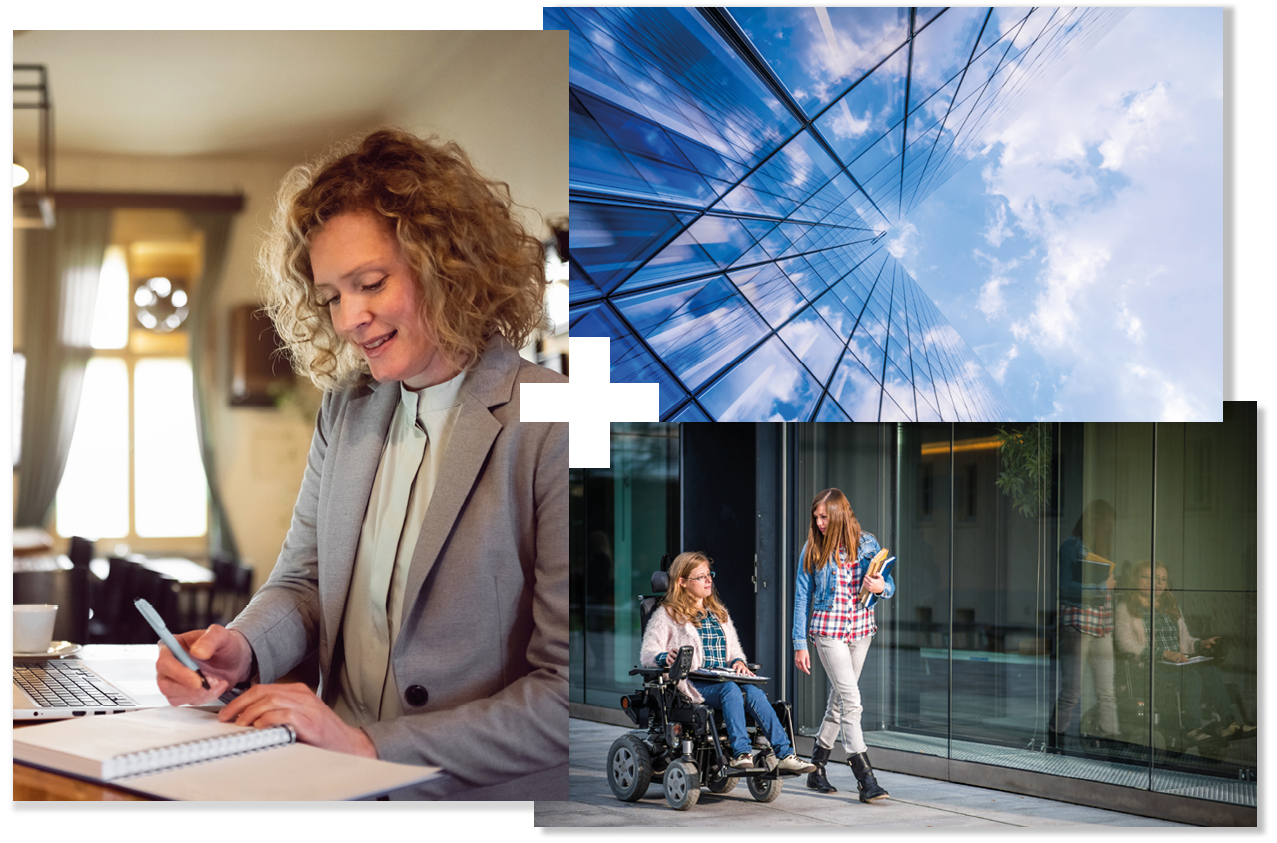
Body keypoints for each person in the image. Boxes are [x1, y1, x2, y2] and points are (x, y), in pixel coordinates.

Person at [154, 128, 567, 800]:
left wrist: (374, 745)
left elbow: (567, 691)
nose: (349, 318)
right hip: (335, 787)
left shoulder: (555, 418)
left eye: (369, 283)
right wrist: (241, 647)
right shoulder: (348, 408)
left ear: (449, 264)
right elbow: (305, 579)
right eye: (330, 297)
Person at [640, 551, 815, 774]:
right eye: (701, 577)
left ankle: (785, 754)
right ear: (682, 582)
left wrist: (739, 662)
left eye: (709, 575)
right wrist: (665, 657)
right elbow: (648, 652)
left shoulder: (718, 613)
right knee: (730, 690)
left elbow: (733, 650)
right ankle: (740, 753)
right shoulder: (667, 614)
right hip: (691, 683)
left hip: (722, 676)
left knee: (754, 693)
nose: (708, 580)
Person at [792, 489, 894, 802]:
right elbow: (801, 596)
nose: (819, 522)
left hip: (861, 630)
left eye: (824, 516)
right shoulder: (813, 548)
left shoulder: (867, 543)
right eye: (816, 517)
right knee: (851, 700)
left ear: (839, 514)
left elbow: (887, 584)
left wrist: (881, 588)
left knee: (838, 703)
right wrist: (799, 642)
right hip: (828, 632)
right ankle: (865, 778)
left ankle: (817, 768)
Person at [1114, 562, 1255, 745]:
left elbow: (1185, 641)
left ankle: (1229, 724)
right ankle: (1191, 729)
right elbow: (1125, 645)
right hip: (1148, 668)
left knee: (1209, 671)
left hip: (1176, 664)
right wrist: (1163, 654)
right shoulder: (1125, 609)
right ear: (1134, 579)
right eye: (1149, 578)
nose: (1157, 583)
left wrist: (1200, 645)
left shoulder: (1170, 607)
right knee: (1191, 676)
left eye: (1162, 579)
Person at [1048, 500, 1118, 754]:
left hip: (1102, 626)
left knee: (1107, 692)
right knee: (1072, 691)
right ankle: (1056, 744)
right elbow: (1064, 586)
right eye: (1107, 525)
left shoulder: (1104, 549)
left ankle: (1112, 746)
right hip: (1077, 624)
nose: (1110, 530)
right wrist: (1100, 588)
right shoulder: (1071, 546)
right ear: (1095, 523)